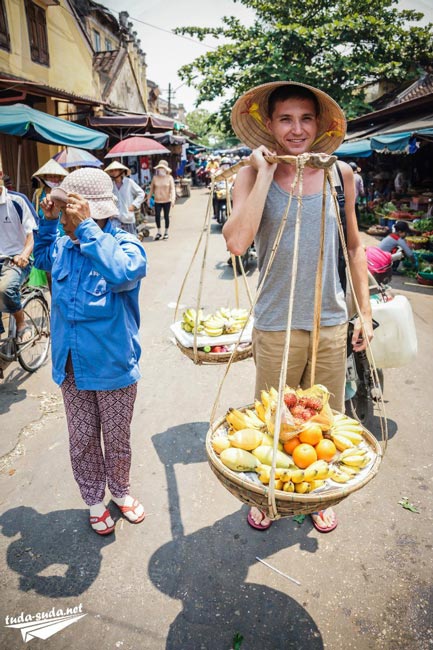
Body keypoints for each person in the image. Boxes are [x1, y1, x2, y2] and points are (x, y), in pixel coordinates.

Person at [223, 81, 373, 533]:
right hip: (275, 322)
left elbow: (354, 247)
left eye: (306, 118)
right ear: (268, 124)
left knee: (321, 421)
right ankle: (268, 495)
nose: (296, 129)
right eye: (285, 119)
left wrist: (362, 311)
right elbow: (235, 242)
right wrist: (264, 172)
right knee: (274, 422)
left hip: (329, 320)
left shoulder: (338, 174)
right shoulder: (250, 176)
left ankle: (317, 491)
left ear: (320, 124)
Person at [33, 168, 147, 535]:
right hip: (71, 367)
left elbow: (123, 273)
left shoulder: (126, 246)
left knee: (117, 439)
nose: (61, 214)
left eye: (66, 210)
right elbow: (41, 262)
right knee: (82, 440)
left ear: (87, 212)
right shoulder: (64, 245)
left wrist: (86, 230)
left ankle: (121, 491)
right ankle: (94, 500)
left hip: (112, 367)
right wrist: (49, 224)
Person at [0, 173, 38, 342]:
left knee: (5, 289)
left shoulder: (17, 201)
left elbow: (32, 234)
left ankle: (22, 323)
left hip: (16, 259)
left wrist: (24, 254)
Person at [105, 161, 145, 235]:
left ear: (121, 171)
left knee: (132, 240)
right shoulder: (110, 185)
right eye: (111, 171)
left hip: (128, 217)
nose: (113, 172)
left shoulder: (129, 182)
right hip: (115, 217)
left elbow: (141, 193)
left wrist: (134, 205)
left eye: (116, 170)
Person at [148, 160, 176, 240]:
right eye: (159, 168)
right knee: (157, 216)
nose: (160, 170)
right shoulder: (155, 178)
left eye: (162, 168)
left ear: (166, 169)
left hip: (167, 200)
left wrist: (173, 199)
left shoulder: (169, 178)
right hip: (157, 201)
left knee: (166, 216)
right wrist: (148, 198)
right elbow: (151, 189)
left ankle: (166, 232)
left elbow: (172, 189)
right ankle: (159, 232)